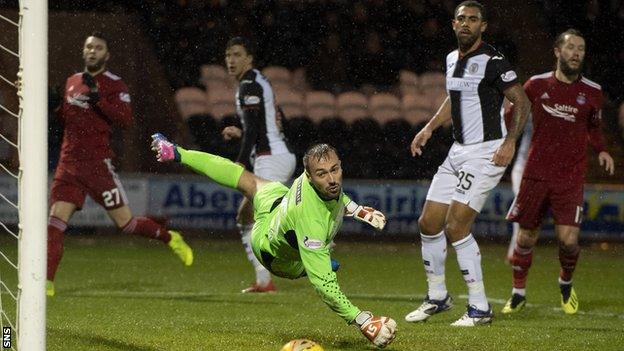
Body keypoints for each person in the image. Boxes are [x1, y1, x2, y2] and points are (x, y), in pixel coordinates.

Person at [151, 134, 397, 348]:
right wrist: (364, 321)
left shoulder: (316, 180)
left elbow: (335, 192)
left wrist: (356, 209)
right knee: (320, 269)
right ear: (309, 177)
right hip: (272, 253)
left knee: (247, 180)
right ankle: (306, 265)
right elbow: (325, 288)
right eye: (322, 174)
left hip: (278, 204)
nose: (332, 179)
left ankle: (177, 153)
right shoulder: (312, 225)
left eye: (335, 169)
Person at [405, 1, 530, 326]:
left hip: (487, 152)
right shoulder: (450, 59)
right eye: (461, 19)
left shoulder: (493, 60)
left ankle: (479, 308)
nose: (466, 24)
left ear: (483, 26)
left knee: (457, 226)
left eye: (473, 20)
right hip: (457, 151)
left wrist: (510, 141)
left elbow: (522, 101)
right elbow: (454, 97)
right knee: (428, 223)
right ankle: (437, 297)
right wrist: (430, 127)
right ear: (453, 24)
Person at [46, 32, 193, 297]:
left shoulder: (115, 85)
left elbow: (125, 120)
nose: (92, 51)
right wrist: (55, 107)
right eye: (88, 46)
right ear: (84, 51)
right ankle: (46, 284)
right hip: (68, 166)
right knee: (55, 225)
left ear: (107, 55)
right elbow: (66, 118)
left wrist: (98, 99)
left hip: (97, 166)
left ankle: (170, 237)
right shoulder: (72, 81)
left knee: (126, 224)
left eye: (98, 48)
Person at [502, 29, 614, 315]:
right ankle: (518, 293)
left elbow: (594, 126)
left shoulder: (592, 91)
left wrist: (601, 149)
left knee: (569, 240)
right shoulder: (536, 85)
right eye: (571, 47)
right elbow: (513, 112)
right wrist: (508, 130)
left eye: (581, 48)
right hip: (535, 174)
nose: (576, 53)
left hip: (570, 178)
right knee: (526, 238)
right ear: (557, 51)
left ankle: (565, 282)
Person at [221, 37, 297, 293]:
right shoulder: (258, 82)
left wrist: (240, 161)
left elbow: (255, 128)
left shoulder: (249, 85)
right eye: (228, 55)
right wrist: (242, 134)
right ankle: (264, 281)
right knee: (250, 218)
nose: (231, 60)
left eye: (237, 54)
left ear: (249, 58)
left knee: (251, 218)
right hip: (276, 155)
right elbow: (273, 122)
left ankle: (315, 241)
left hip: (271, 159)